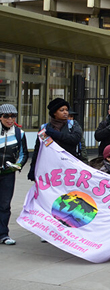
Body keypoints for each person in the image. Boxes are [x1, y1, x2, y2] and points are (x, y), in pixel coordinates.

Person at [28, 98, 83, 181]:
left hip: (70, 167)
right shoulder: (45, 128)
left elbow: (75, 139)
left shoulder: (73, 125)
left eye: (66, 110)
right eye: (62, 110)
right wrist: (33, 169)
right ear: (54, 113)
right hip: (50, 168)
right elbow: (38, 150)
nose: (65, 113)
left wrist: (55, 134)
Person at [0, 104, 27, 245]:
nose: (10, 119)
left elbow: (23, 154)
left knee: (4, 205)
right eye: (6, 116)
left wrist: (18, 165)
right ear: (0, 117)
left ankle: (3, 234)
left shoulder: (19, 133)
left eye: (13, 116)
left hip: (8, 174)